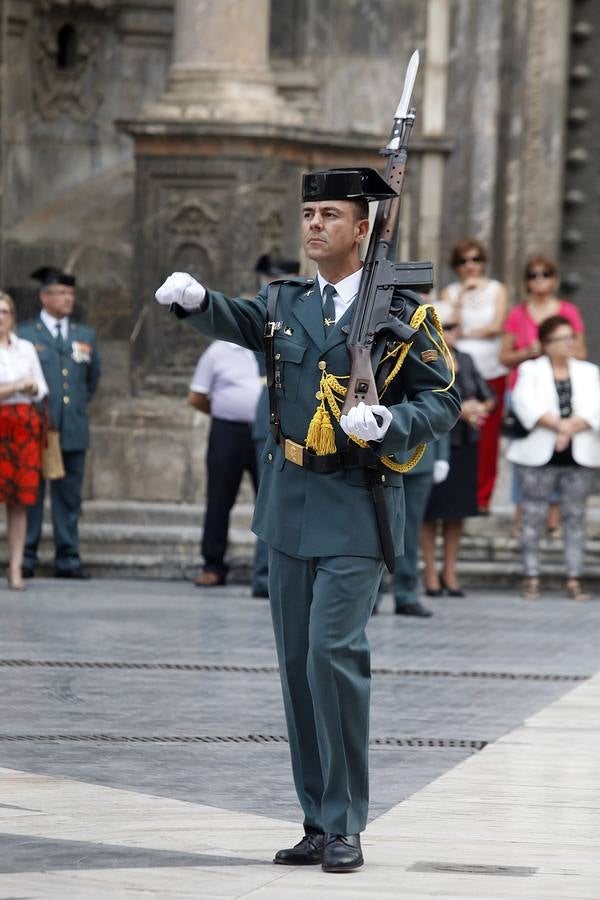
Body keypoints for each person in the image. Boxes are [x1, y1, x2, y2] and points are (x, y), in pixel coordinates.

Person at [156, 166, 460, 872]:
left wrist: (395, 419)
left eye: (330, 214)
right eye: (310, 213)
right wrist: (198, 301)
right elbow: (238, 320)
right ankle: (318, 820)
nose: (315, 224)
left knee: (333, 654)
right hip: (288, 502)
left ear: (363, 228)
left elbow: (441, 396)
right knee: (297, 668)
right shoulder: (284, 301)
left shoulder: (403, 312)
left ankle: (348, 819)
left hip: (358, 503)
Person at [507, 315, 600, 601]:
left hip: (579, 454)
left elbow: (595, 405)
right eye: (562, 338)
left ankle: (574, 578)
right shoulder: (530, 369)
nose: (570, 342)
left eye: (572, 337)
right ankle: (531, 576)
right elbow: (525, 404)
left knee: (575, 517)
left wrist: (570, 428)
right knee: (533, 516)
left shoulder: (588, 371)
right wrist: (559, 427)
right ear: (546, 344)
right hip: (537, 454)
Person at [17, 266, 101, 579]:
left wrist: (74, 411)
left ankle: (68, 557)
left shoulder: (84, 335)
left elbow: (92, 380)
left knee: (69, 497)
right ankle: (27, 555)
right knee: (32, 495)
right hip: (37, 428)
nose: (68, 299)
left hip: (73, 429)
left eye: (71, 293)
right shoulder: (26, 335)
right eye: (61, 293)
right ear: (44, 296)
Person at [499, 255, 587, 538]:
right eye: (534, 275)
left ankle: (553, 518)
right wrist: (531, 351)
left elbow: (581, 352)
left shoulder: (568, 311)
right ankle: (521, 516)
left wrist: (556, 350)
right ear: (526, 281)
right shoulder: (517, 314)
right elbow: (505, 356)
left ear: (555, 278)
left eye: (546, 274)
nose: (540, 280)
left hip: (561, 391)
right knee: (524, 455)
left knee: (561, 455)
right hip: (524, 392)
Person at [421, 303, 495, 597]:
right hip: (436, 443)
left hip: (464, 444)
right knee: (430, 513)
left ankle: (449, 570)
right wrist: (458, 410)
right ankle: (429, 572)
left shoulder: (466, 357)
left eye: (454, 326)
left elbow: (488, 394)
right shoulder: (426, 356)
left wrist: (477, 408)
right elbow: (426, 397)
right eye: (445, 326)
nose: (450, 332)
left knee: (457, 513)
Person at [188, 339, 263, 587]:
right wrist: (225, 409)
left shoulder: (267, 344)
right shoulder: (217, 351)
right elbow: (196, 396)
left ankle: (268, 569)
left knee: (269, 501)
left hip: (267, 432)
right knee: (219, 498)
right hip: (227, 431)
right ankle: (213, 564)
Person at [440, 239, 508, 513]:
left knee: (487, 435)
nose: (470, 266)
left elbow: (496, 327)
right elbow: (446, 325)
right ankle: (460, 496)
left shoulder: (497, 289)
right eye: (463, 261)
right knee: (456, 436)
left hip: (490, 369)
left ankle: (484, 496)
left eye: (475, 259)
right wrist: (460, 300)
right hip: (457, 369)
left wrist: (464, 330)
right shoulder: (450, 292)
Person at [252, 255, 300, 599]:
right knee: (270, 503)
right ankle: (262, 576)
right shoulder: (269, 313)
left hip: (297, 421)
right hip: (273, 418)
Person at [0, 292, 48, 590]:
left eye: (4, 312)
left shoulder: (25, 348)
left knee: (19, 502)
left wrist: (28, 388)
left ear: (12, 316)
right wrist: (15, 386)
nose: (0, 318)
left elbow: (42, 388)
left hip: (21, 427)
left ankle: (15, 566)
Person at [374, 436, 450, 618]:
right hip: (380, 455)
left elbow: (439, 409)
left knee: (410, 532)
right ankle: (372, 594)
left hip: (420, 455)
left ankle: (406, 594)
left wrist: (442, 455)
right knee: (378, 529)